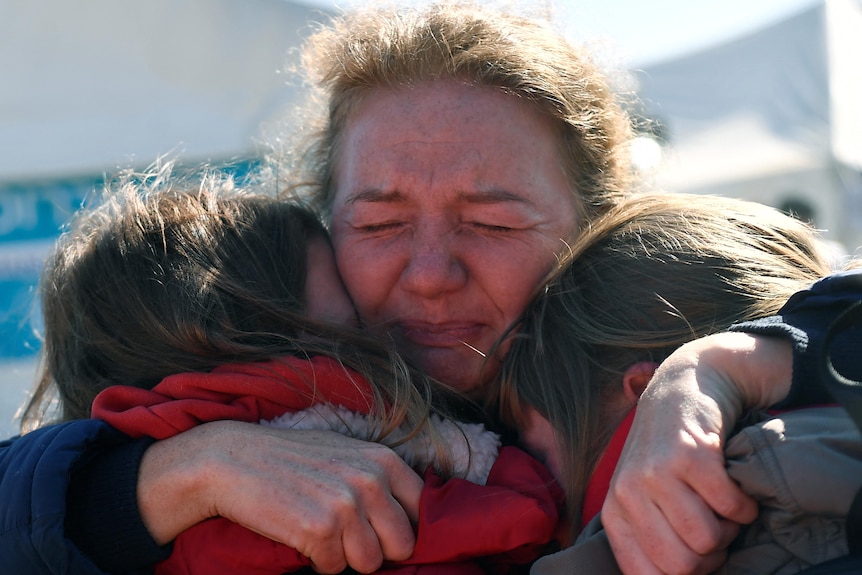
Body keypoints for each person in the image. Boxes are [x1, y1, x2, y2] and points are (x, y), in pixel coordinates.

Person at [0, 2, 856, 574]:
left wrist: (739, 359)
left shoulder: (690, 356)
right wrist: (172, 475)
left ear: (596, 222)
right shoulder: (254, 395)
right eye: (379, 225)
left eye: (491, 222)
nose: (432, 273)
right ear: (325, 225)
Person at [25, 167, 562, 575]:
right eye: (347, 329)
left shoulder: (97, 497)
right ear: (268, 339)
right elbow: (517, 517)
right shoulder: (361, 430)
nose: (382, 347)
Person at [488, 193, 862, 573]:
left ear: (647, 395)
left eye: (533, 447)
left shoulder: (769, 517)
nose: (525, 473)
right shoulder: (818, 457)